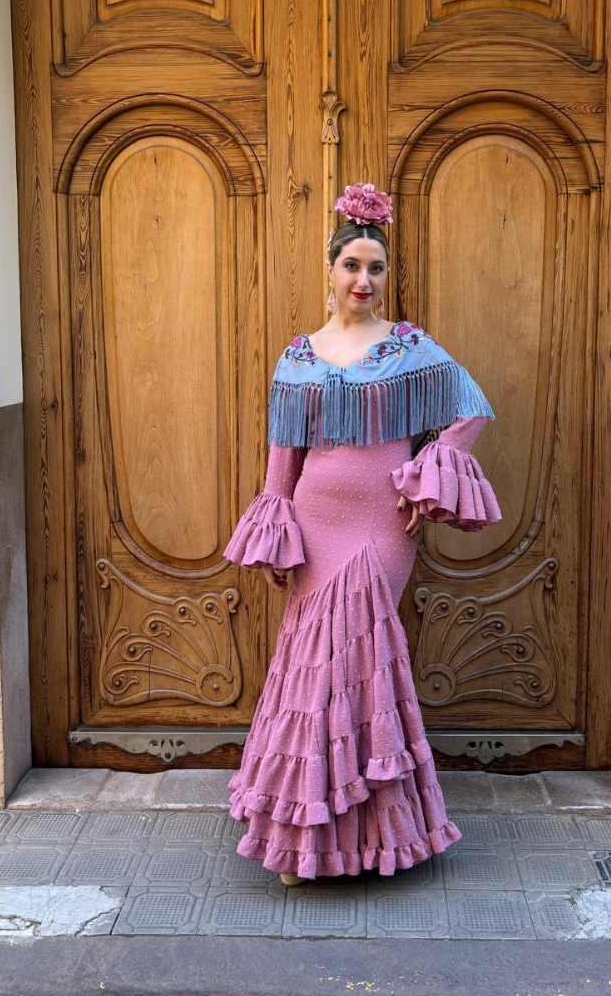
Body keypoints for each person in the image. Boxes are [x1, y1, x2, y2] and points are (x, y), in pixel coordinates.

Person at [223, 182, 502, 886]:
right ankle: (303, 838)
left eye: (374, 268)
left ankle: (368, 836)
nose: (362, 280)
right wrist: (275, 530)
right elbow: (282, 457)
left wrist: (426, 473)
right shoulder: (299, 356)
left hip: (381, 526)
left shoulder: (410, 347)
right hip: (315, 521)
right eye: (351, 265)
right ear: (329, 270)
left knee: (356, 657)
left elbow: (470, 410)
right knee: (313, 669)